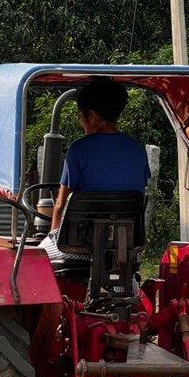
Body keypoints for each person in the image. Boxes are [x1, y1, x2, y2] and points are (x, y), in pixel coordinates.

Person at [40, 77, 150, 261]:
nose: (80, 121)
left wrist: (53, 237)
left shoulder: (78, 149)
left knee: (34, 260)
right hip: (123, 247)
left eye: (80, 116)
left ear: (91, 115)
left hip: (79, 247)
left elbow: (59, 205)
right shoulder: (137, 150)